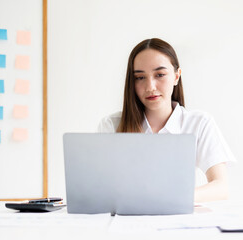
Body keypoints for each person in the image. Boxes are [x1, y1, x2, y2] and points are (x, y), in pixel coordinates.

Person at [98, 38, 235, 202]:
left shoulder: (199, 123)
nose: (150, 87)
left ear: (177, 77)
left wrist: (173, 197)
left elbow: (220, 187)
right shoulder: (112, 125)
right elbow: (101, 188)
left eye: (160, 75)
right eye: (140, 77)